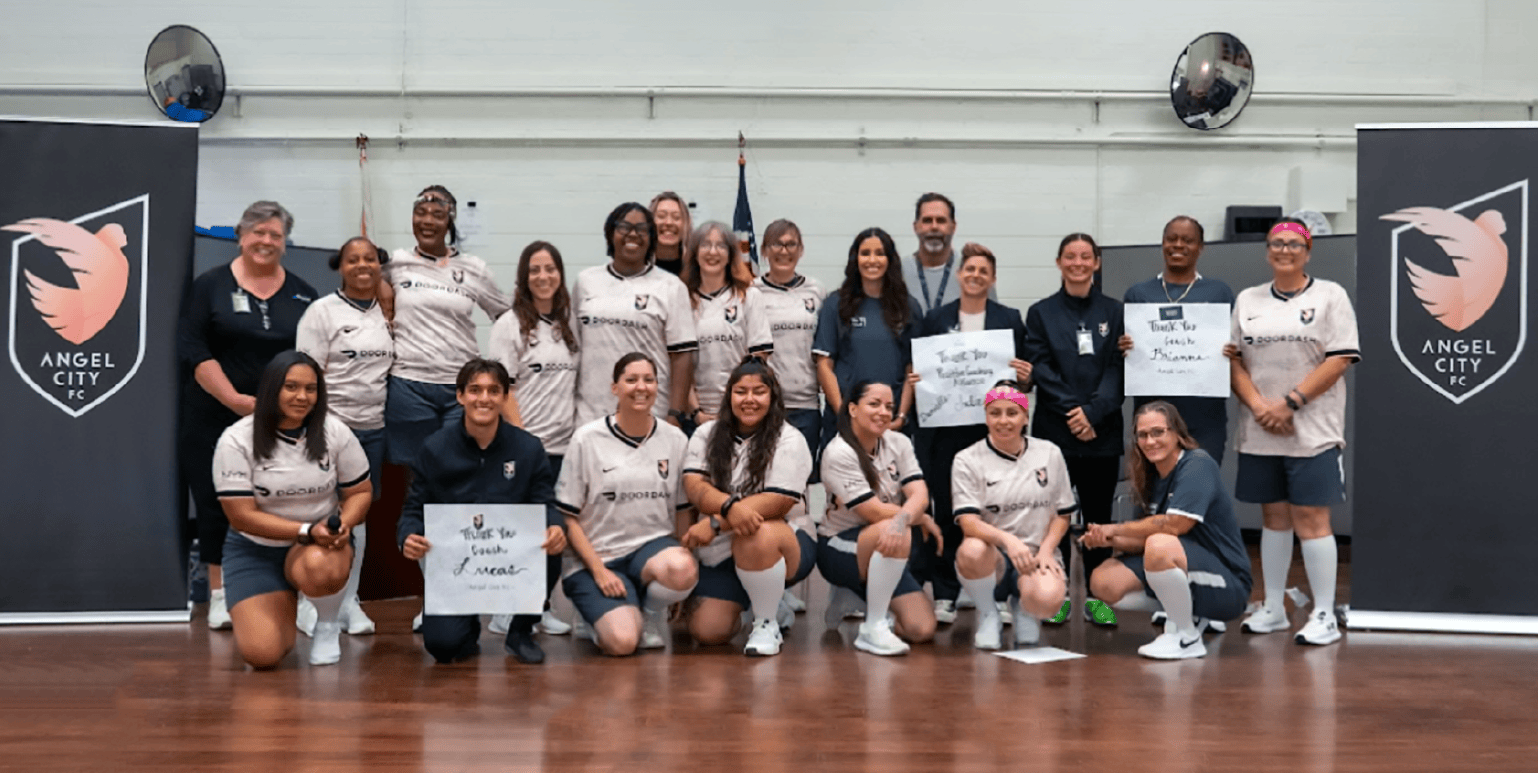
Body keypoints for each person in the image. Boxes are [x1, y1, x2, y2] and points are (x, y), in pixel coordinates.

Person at [179, 201, 317, 630]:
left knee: (288, 500)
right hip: (214, 416)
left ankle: (295, 592)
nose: (266, 241)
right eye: (258, 232)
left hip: (282, 422)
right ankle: (221, 596)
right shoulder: (209, 286)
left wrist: (286, 405)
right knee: (217, 504)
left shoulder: (303, 293)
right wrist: (234, 400)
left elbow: (312, 358)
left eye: (275, 235)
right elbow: (193, 348)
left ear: (285, 243)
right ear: (240, 236)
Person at [1231, 219, 1359, 646]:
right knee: (1274, 517)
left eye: (1293, 244)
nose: (1284, 250)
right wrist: (1260, 406)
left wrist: (1290, 403)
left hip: (1313, 430)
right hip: (1261, 429)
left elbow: (1339, 359)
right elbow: (1233, 360)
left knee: (1311, 519)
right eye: (1276, 243)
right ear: (1267, 250)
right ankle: (1273, 608)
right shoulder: (1248, 299)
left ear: (1308, 251)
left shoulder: (1330, 296)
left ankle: (1323, 614)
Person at [396, 359, 568, 664]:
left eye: (493, 390)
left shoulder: (528, 448)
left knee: (550, 543)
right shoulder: (434, 448)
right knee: (443, 647)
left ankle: (521, 630)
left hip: (511, 555)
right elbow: (414, 508)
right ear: (460, 396)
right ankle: (467, 625)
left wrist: (556, 527)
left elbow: (545, 503)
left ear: (504, 397)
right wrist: (407, 536)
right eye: (475, 390)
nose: (484, 398)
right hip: (457, 561)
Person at [212, 351, 371, 668]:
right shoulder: (236, 439)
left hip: (319, 548)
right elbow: (240, 516)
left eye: (311, 389)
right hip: (256, 551)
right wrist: (305, 531)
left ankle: (326, 624)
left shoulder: (335, 431)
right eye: (291, 387)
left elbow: (361, 492)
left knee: (319, 566)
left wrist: (343, 525)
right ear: (272, 388)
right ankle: (286, 601)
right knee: (262, 655)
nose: (302, 397)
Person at [909, 243, 1032, 626]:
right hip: (944, 433)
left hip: (994, 432)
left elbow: (1023, 380)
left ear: (992, 279)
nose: (976, 275)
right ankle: (946, 593)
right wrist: (917, 380)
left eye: (983, 271)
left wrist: (1027, 377)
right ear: (960, 275)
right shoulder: (936, 318)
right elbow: (921, 369)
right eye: (970, 269)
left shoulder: (1009, 318)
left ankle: (997, 594)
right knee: (947, 511)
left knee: (996, 512)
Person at [1083, 401, 1253, 659]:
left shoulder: (1198, 464)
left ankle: (1185, 636)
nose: (1150, 441)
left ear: (1177, 434)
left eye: (1158, 432)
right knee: (1103, 581)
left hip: (1228, 584)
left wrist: (1115, 527)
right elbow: (1141, 539)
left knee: (1160, 543)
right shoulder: (1149, 475)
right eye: (1143, 435)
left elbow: (1175, 525)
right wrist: (1108, 540)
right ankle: (1185, 611)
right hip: (1182, 564)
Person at [556, 353, 699, 656]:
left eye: (649, 380)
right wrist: (600, 572)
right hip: (597, 557)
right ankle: (592, 616)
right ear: (615, 388)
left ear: (657, 386)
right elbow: (568, 518)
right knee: (622, 644)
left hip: (649, 551)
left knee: (683, 569)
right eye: (631, 380)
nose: (641, 387)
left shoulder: (675, 440)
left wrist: (680, 587)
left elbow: (682, 511)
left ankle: (650, 612)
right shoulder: (586, 439)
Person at [1021, 232, 1125, 628]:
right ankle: (1058, 593)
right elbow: (1041, 368)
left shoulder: (1116, 311)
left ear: (1097, 262)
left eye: (1085, 256)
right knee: (1054, 517)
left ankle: (1097, 597)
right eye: (1070, 256)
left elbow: (1118, 369)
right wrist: (1074, 412)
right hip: (1056, 432)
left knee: (1098, 516)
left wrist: (1093, 413)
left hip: (1102, 432)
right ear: (1059, 262)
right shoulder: (1040, 312)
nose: (1078, 263)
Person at [681, 359, 815, 656]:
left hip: (782, 540)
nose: (749, 399)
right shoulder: (706, 433)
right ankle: (759, 599)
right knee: (708, 631)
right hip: (721, 548)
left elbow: (778, 501)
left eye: (759, 391)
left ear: (773, 397)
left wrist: (716, 522)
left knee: (756, 533)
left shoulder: (789, 438)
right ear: (729, 395)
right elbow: (694, 485)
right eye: (741, 391)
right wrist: (730, 507)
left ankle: (767, 622)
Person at [293, 236, 392, 637]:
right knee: (320, 513)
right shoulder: (321, 312)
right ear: (340, 266)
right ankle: (309, 602)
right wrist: (310, 430)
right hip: (330, 429)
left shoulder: (387, 311)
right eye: (353, 260)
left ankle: (349, 600)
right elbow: (305, 377)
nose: (362, 266)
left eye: (370, 259)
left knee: (357, 518)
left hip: (373, 430)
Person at [486, 240, 581, 637]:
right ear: (524, 278)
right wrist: (523, 440)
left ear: (560, 274)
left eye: (550, 269)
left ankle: (538, 608)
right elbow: (501, 388)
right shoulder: (509, 325)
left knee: (553, 531)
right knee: (521, 531)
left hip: (563, 448)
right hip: (524, 447)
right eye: (535, 270)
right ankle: (505, 609)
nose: (544, 276)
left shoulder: (569, 324)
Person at [382, 185, 512, 468]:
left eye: (437, 215)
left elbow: (506, 316)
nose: (427, 221)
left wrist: (500, 367)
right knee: (416, 471)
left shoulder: (474, 268)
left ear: (450, 222)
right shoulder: (396, 263)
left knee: (463, 466)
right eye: (421, 213)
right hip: (409, 384)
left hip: (460, 387)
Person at [816, 380, 940, 656]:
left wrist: (911, 515)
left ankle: (860, 596)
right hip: (838, 546)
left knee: (921, 630)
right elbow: (872, 512)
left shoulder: (899, 442)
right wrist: (916, 518)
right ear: (852, 409)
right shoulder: (838, 452)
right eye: (874, 404)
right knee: (896, 526)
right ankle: (873, 626)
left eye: (889, 406)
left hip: (886, 543)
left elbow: (920, 493)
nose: (883, 412)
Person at [951, 382, 1074, 650]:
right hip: (993, 557)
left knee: (1047, 599)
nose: (1003, 421)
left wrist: (1046, 550)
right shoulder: (966, 459)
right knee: (971, 550)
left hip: (1035, 555)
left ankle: (1025, 610)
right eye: (995, 413)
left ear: (1025, 417)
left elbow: (1063, 514)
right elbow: (968, 522)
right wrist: (1008, 541)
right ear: (986, 417)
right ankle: (988, 614)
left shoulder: (1049, 453)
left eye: (1012, 413)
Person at [1119, 216, 1237, 463]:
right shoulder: (1138, 294)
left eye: (1187, 240)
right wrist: (1124, 347)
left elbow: (1238, 348)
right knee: (1154, 485)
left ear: (1200, 247)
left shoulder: (1219, 293)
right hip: (1152, 419)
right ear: (1162, 243)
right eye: (1171, 239)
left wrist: (1231, 350)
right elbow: (1124, 355)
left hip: (1205, 418)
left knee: (1201, 482)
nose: (1178, 245)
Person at [572, 203, 698, 427]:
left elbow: (683, 356)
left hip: (651, 415)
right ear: (610, 234)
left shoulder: (671, 286)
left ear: (651, 238)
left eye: (641, 229)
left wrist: (674, 413)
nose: (632, 234)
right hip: (591, 415)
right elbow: (574, 348)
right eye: (624, 227)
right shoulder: (586, 281)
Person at [813, 228, 923, 445]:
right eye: (865, 253)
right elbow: (824, 365)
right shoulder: (836, 304)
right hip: (844, 424)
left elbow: (912, 368)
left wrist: (900, 417)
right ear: (855, 259)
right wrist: (844, 415)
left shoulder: (908, 307)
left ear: (890, 259)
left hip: (890, 424)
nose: (872, 260)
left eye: (880, 253)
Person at [681, 221, 773, 429]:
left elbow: (758, 360)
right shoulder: (683, 300)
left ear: (731, 254)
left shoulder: (749, 296)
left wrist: (738, 407)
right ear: (695, 253)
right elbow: (679, 365)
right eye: (705, 245)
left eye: (720, 246)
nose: (713, 252)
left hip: (741, 412)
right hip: (697, 416)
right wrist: (696, 413)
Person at [752, 218, 827, 468]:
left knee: (801, 475)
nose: (784, 251)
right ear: (765, 250)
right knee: (763, 474)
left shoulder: (816, 291)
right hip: (765, 403)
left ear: (801, 249)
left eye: (791, 244)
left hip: (806, 404)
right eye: (776, 244)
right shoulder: (752, 292)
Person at [903, 192, 995, 316]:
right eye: (927, 220)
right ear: (915, 227)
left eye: (941, 221)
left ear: (953, 227)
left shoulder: (974, 271)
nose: (934, 227)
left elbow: (994, 320)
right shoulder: (897, 271)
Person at [650, 191, 692, 276]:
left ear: (686, 224)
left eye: (676, 217)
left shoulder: (697, 268)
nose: (669, 222)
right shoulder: (637, 265)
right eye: (661, 216)